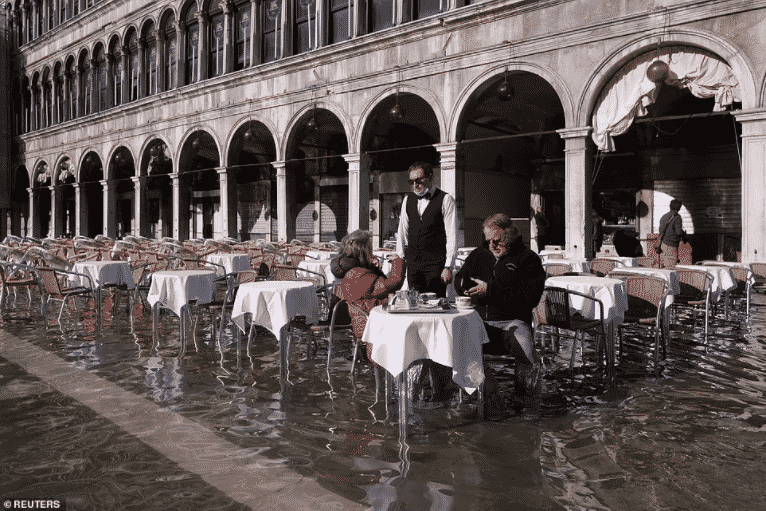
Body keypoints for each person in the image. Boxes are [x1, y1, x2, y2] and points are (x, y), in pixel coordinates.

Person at [454, 214, 546, 417]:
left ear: (510, 234)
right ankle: (492, 397)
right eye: (488, 241)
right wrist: (464, 287)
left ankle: (527, 403)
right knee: (457, 345)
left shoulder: (528, 259)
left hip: (511, 321)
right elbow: (461, 278)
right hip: (478, 321)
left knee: (526, 348)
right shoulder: (479, 254)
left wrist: (491, 290)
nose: (492, 245)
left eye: (497, 240)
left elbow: (530, 297)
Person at [331, 230, 406, 344]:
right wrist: (397, 262)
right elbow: (391, 285)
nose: (372, 249)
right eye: (370, 246)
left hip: (367, 323)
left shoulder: (353, 270)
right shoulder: (358, 274)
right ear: (363, 250)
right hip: (371, 329)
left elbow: (376, 289)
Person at [395, 161, 457, 298]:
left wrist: (448, 266)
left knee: (435, 305)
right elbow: (402, 233)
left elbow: (452, 236)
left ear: (430, 177)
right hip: (413, 264)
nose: (415, 185)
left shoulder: (446, 199)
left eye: (419, 180)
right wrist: (400, 260)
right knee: (414, 304)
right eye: (411, 182)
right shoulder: (407, 200)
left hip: (435, 264)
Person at [658, 199, 685, 269]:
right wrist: (683, 234)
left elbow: (660, 231)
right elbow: (679, 232)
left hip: (663, 245)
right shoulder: (677, 218)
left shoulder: (664, 217)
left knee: (664, 266)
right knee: (671, 268)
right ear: (679, 207)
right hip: (671, 245)